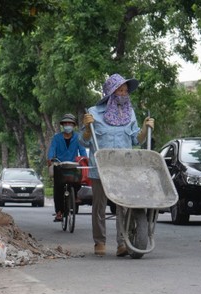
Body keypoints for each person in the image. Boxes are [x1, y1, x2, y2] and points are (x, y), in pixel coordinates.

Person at [80, 74, 154, 257]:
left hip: (124, 168)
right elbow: (83, 141)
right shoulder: (94, 112)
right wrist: (88, 128)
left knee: (124, 205)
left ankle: (123, 242)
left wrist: (145, 128)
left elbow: (136, 139)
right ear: (111, 92)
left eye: (126, 91)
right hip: (101, 167)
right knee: (99, 206)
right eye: (120, 90)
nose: (123, 93)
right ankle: (99, 242)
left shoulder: (130, 113)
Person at [47, 113, 87, 222]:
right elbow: (52, 150)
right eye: (66, 123)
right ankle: (59, 212)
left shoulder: (78, 137)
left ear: (73, 125)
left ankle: (75, 195)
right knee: (58, 188)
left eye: (70, 123)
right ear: (63, 125)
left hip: (73, 165)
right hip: (60, 165)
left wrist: (84, 159)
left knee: (78, 179)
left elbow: (82, 150)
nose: (67, 125)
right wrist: (50, 158)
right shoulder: (57, 138)